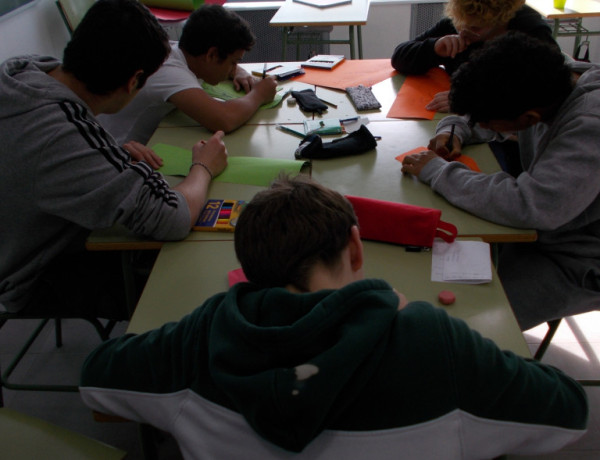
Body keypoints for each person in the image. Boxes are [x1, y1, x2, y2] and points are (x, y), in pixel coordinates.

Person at [80, 174, 587, 459]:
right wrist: (402, 313)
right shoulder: (431, 341)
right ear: (356, 247)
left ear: (247, 268)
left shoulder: (206, 334)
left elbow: (96, 377)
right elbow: (568, 411)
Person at [0, 0, 228, 320]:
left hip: (24, 237)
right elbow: (172, 218)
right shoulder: (63, 135)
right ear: (133, 80)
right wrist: (203, 165)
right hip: (30, 274)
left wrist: (106, 154)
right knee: (187, 285)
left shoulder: (24, 71)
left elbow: (56, 154)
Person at [401, 32, 600, 331]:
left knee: (469, 324)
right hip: (547, 233)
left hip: (581, 259)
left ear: (529, 119)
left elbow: (532, 205)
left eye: (488, 123)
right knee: (430, 276)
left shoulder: (589, 125)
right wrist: (454, 129)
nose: (482, 125)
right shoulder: (547, 77)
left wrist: (438, 172)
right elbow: (482, 114)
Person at [98, 4, 278, 168]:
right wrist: (259, 94)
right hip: (117, 156)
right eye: (233, 61)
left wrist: (238, 71)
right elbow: (224, 119)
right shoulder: (170, 72)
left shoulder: (180, 52)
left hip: (150, 143)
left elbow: (224, 68)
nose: (233, 67)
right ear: (212, 55)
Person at [391, 0, 557, 112]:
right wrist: (434, 48)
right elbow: (399, 57)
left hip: (505, 128)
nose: (463, 31)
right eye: (459, 23)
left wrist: (469, 99)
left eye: (475, 28)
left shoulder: (530, 31)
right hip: (458, 122)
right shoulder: (459, 21)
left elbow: (547, 89)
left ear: (500, 20)